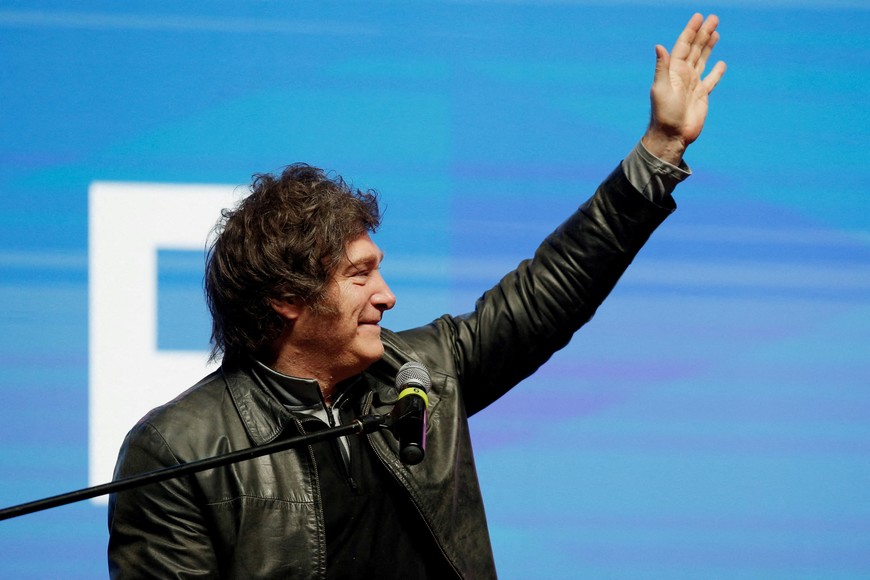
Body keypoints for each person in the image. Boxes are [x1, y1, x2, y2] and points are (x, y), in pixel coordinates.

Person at [108, 13, 726, 579]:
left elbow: (550, 290)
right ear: (285, 298)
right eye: (358, 276)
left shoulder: (427, 376)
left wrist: (660, 152)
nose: (387, 296)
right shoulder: (178, 452)